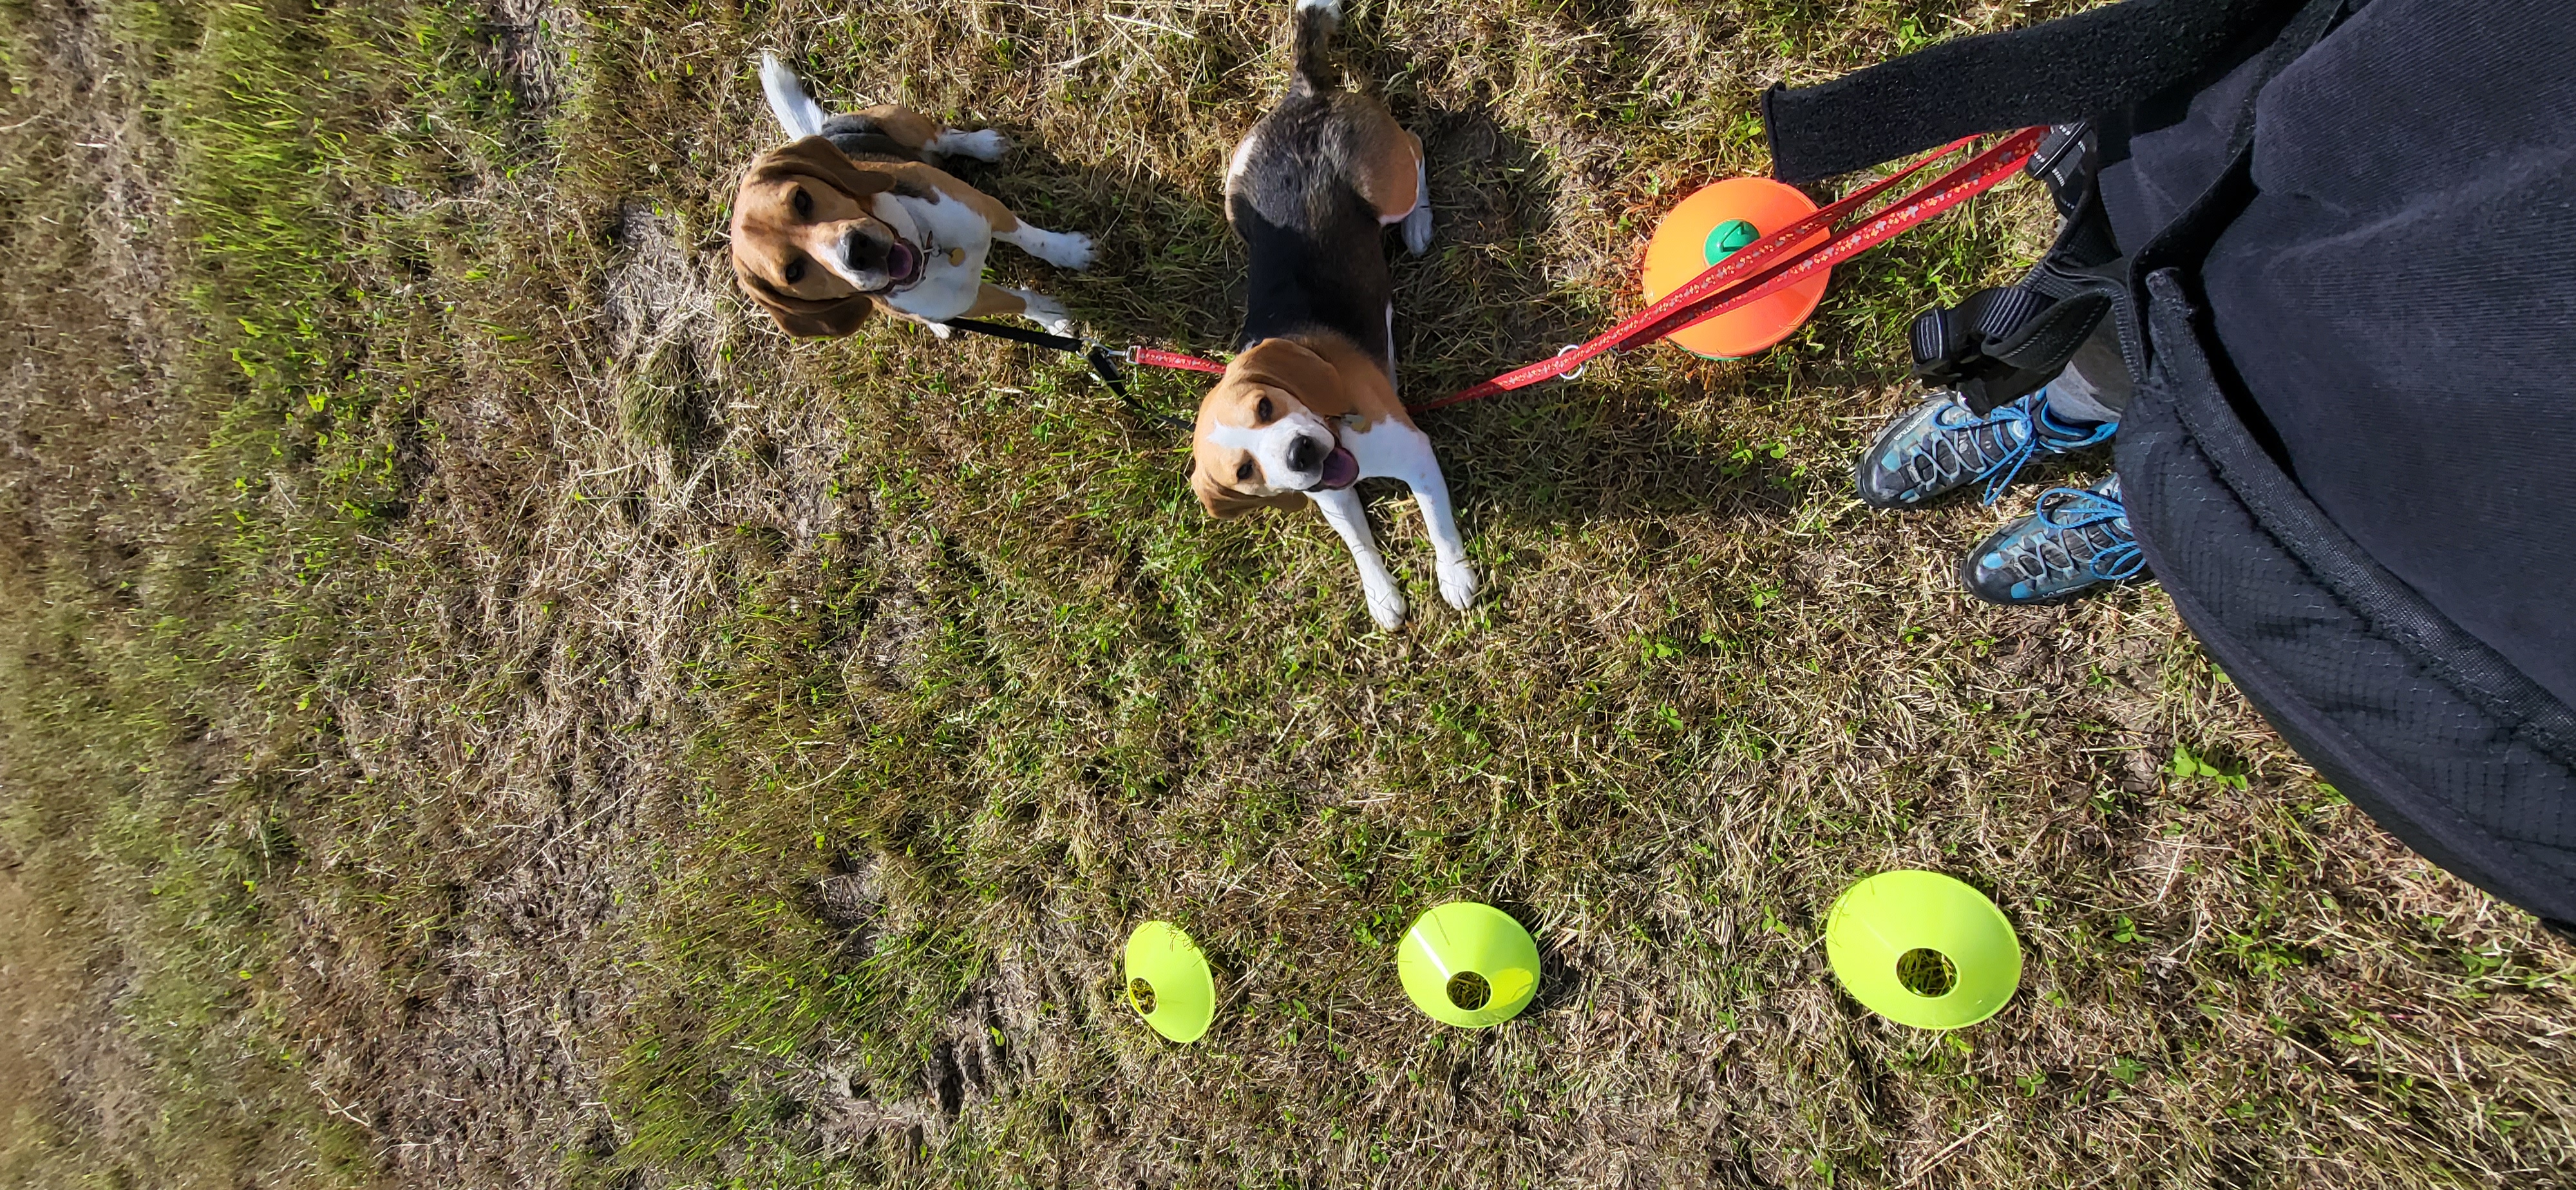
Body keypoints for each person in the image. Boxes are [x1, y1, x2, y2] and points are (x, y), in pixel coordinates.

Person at [1765, 0, 2575, 933]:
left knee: (2298, 458)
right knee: (2193, 290)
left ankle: (2166, 502)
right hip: (2425, 146)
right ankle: (2080, 413)